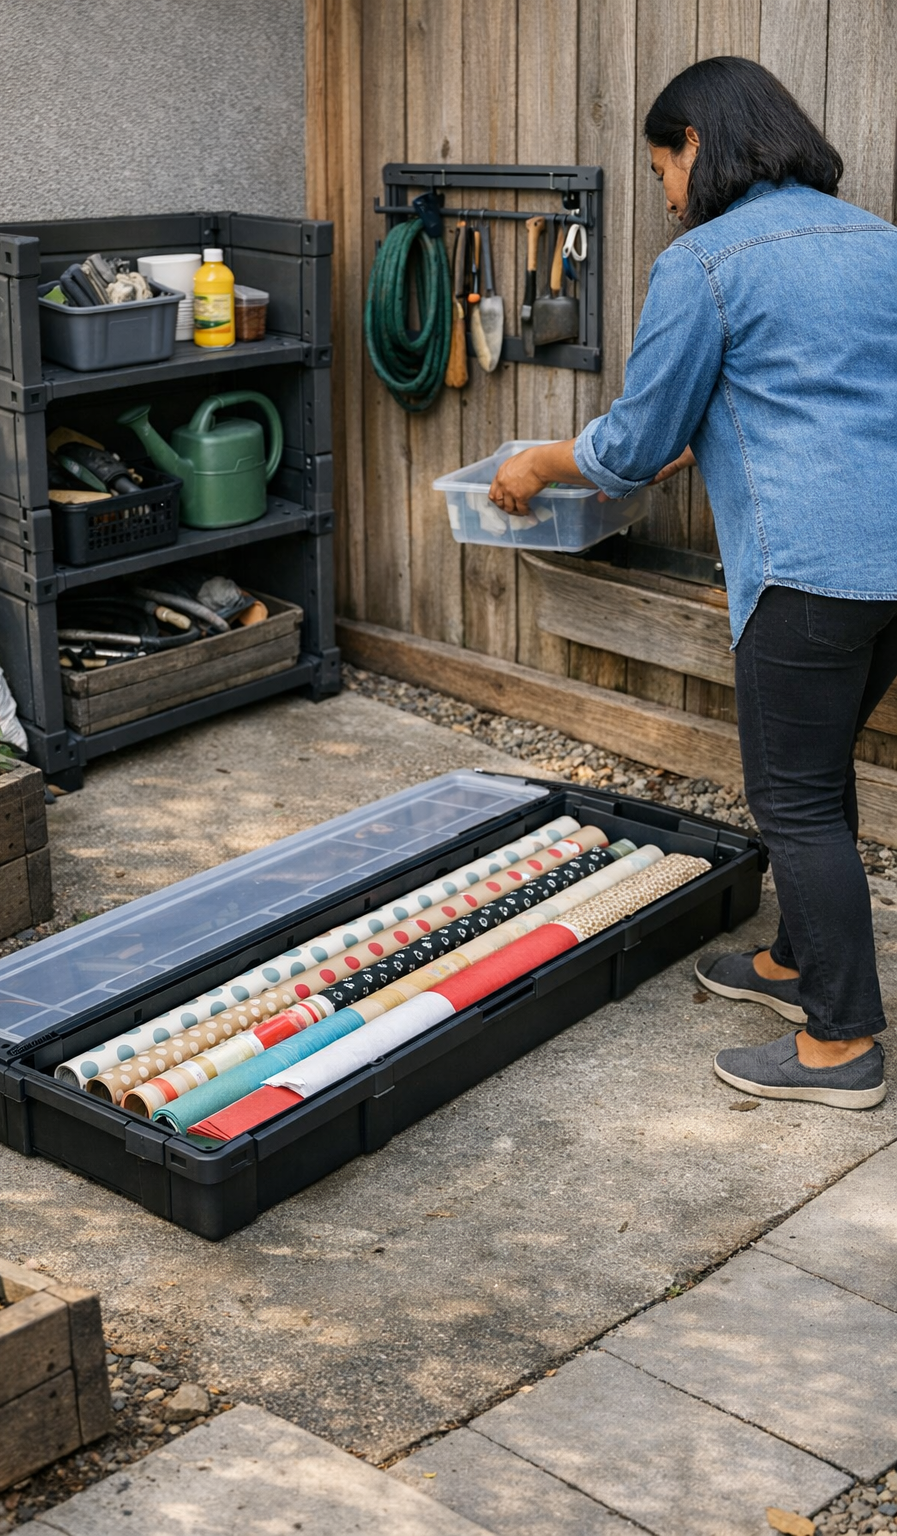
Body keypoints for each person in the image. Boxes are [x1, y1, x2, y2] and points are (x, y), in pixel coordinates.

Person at [490, 56, 897, 1109]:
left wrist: (537, 463)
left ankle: (840, 1047)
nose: (664, 192)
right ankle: (795, 964)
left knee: (793, 803)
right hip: (887, 564)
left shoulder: (706, 262)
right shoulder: (877, 242)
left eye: (661, 166)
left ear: (698, 146)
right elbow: (806, 396)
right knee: (815, 778)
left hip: (806, 567)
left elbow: (629, 448)